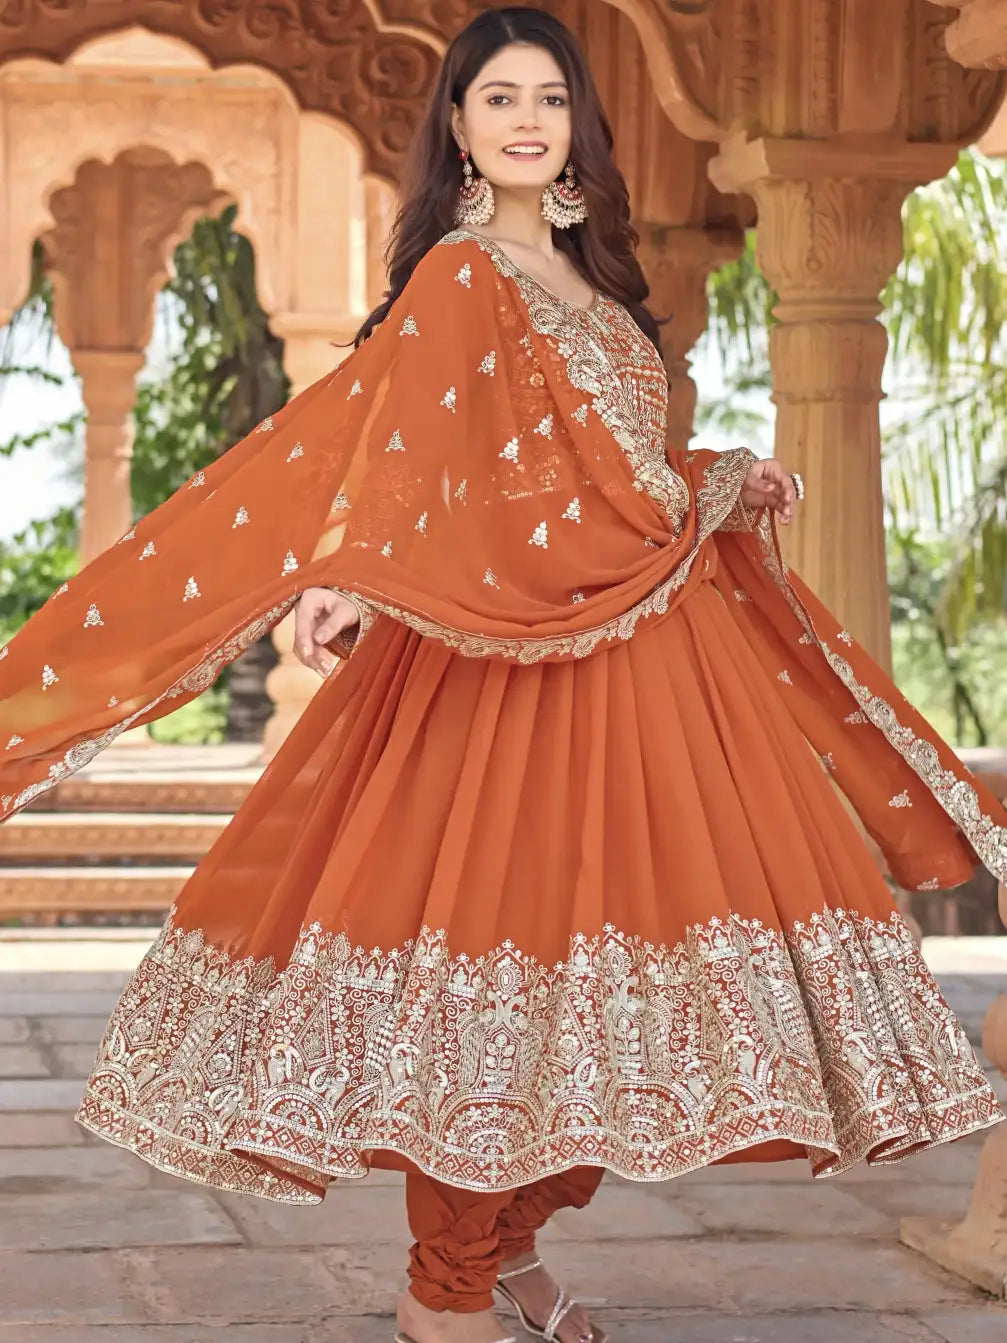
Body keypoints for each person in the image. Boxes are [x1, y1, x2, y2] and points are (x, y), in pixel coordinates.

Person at [1, 8, 1005, 1343]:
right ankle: (447, 1291)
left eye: (551, 99)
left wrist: (719, 478)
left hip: (648, 665)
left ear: (578, 128)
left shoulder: (598, 290)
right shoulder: (464, 277)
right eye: (498, 101)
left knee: (618, 1004)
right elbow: (412, 456)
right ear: (460, 131)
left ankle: (511, 1250)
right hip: (497, 680)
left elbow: (614, 474)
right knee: (495, 982)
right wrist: (350, 574)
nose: (530, 120)